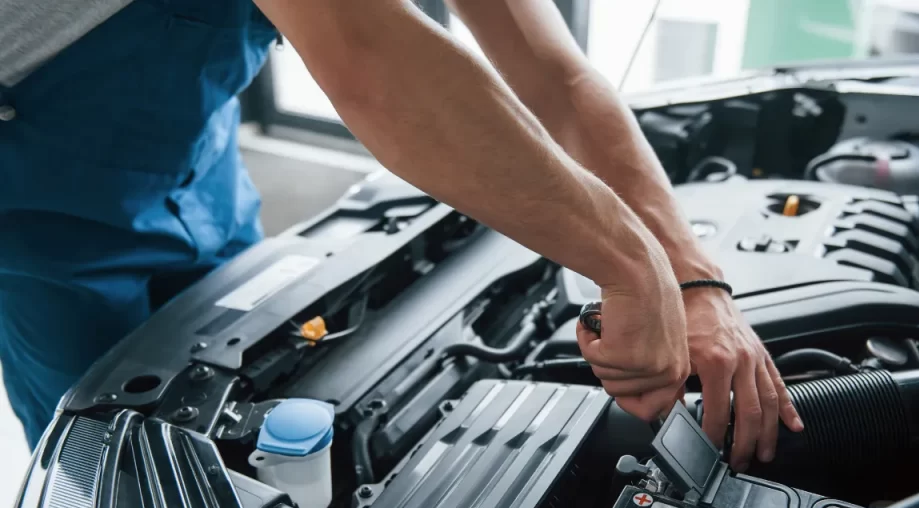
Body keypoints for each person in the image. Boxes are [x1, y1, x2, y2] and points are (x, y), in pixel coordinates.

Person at [0, 0, 802, 470]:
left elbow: (554, 73)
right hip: (32, 192)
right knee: (112, 460)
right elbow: (368, 54)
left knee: (240, 377)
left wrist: (691, 277)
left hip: (190, 154)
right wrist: (632, 268)